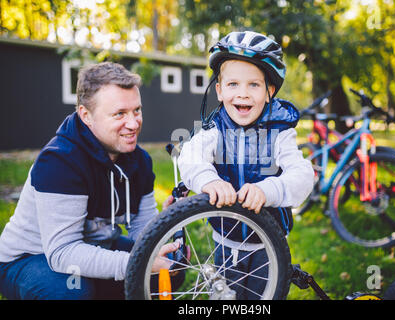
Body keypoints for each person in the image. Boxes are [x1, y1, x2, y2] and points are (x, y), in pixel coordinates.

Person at [0, 62, 179, 300]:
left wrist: (165, 224)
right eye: (119, 114)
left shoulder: (140, 160)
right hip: (30, 258)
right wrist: (135, 263)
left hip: (96, 246)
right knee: (73, 291)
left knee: (169, 267)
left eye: (137, 110)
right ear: (86, 115)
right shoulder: (59, 161)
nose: (134, 123)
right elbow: (62, 253)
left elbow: (142, 231)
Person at [177, 31, 314, 299]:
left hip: (269, 246)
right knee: (227, 299)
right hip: (224, 244)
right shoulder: (215, 131)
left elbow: (303, 175)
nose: (243, 94)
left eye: (254, 85)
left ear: (269, 91)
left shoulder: (279, 133)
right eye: (233, 85)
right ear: (219, 90)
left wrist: (269, 189)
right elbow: (190, 155)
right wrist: (209, 180)